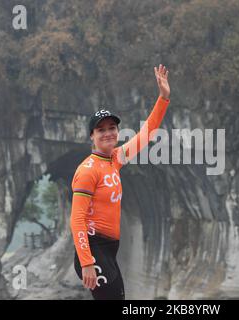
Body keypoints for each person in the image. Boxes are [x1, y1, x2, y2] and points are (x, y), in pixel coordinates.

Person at [70, 64, 170, 300]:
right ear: (92, 136)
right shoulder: (87, 170)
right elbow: (77, 219)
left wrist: (163, 97)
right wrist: (86, 263)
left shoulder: (115, 159)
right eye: (101, 130)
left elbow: (147, 133)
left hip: (108, 252)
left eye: (112, 128)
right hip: (94, 252)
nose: (108, 133)